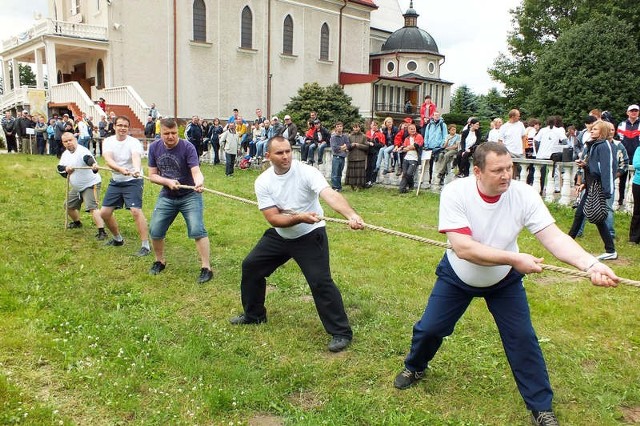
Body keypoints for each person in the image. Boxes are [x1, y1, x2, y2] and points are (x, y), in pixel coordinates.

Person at [393, 142, 619, 426]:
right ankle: (415, 367)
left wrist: (591, 264)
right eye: (497, 170)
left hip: (504, 281)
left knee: (522, 339)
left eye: (509, 168)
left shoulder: (523, 194)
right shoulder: (455, 192)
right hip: (459, 275)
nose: (506, 175)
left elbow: (554, 238)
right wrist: (514, 258)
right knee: (430, 329)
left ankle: (541, 408)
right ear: (477, 171)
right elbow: (464, 249)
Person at [229, 136, 364, 352]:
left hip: (310, 234)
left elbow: (329, 194)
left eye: (288, 151)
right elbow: (273, 218)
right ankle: (254, 316)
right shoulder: (263, 181)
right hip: (281, 233)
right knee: (251, 266)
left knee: (320, 281)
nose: (285, 156)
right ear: (268, 156)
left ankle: (341, 332)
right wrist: (299, 217)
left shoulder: (306, 172)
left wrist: (351, 214)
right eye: (279, 153)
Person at [146, 118, 213, 283]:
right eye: (166, 133)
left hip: (190, 195)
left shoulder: (187, 147)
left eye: (173, 133)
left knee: (198, 229)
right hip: (167, 195)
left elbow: (196, 171)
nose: (170, 136)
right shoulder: (154, 148)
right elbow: (152, 175)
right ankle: (159, 261)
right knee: (155, 230)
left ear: (178, 132)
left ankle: (206, 268)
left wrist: (199, 182)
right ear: (160, 133)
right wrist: (167, 182)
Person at [99, 116, 151, 256]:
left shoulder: (133, 142)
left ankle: (145, 246)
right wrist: (121, 170)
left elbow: (136, 157)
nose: (122, 128)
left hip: (133, 181)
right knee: (104, 213)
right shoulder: (108, 141)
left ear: (128, 128)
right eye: (120, 125)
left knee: (135, 211)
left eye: (125, 126)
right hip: (116, 180)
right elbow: (108, 159)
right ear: (114, 126)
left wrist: (135, 169)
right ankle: (117, 239)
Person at [568, 120, 617, 260]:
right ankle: (568, 242)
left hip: (598, 186)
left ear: (602, 131)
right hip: (591, 185)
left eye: (595, 129)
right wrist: (584, 179)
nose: (592, 131)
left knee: (597, 217)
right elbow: (593, 167)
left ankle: (610, 250)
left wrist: (607, 191)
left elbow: (606, 169)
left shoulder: (604, 146)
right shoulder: (594, 145)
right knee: (581, 214)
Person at [56, 132, 108, 239]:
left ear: (75, 139)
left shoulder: (82, 150)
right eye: (66, 141)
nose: (69, 143)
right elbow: (60, 168)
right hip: (77, 187)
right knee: (68, 206)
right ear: (63, 143)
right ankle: (77, 223)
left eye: (70, 140)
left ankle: (102, 232)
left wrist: (93, 165)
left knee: (92, 207)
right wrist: (66, 169)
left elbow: (88, 159)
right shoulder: (65, 154)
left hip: (90, 184)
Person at [616, 104, 640, 210]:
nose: (634, 112)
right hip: (624, 156)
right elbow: (618, 140)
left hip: (637, 156)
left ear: (638, 112)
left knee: (634, 180)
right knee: (621, 178)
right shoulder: (621, 124)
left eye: (636, 110)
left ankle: (632, 200)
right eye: (632, 111)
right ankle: (620, 199)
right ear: (627, 112)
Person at [398, 123, 424, 193]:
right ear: (408, 130)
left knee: (409, 174)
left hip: (414, 158)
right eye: (411, 129)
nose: (413, 130)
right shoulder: (407, 138)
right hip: (406, 158)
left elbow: (415, 146)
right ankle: (404, 189)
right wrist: (405, 148)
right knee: (405, 174)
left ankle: (406, 187)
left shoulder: (419, 136)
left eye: (414, 129)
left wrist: (407, 148)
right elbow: (403, 148)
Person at [346, 122, 368, 190]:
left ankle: (360, 186)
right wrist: (351, 145)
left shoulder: (363, 136)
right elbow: (347, 147)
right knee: (352, 173)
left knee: (359, 173)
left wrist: (359, 145)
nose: (356, 128)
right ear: (353, 128)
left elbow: (367, 147)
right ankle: (353, 186)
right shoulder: (349, 136)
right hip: (351, 157)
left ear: (359, 128)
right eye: (354, 127)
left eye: (357, 127)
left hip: (361, 157)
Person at [329, 122, 349, 192]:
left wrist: (341, 147)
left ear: (342, 127)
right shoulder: (333, 137)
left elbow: (348, 145)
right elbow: (335, 148)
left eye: (341, 126)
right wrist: (343, 147)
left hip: (343, 157)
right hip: (336, 157)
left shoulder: (345, 136)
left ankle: (339, 187)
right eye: (338, 126)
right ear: (336, 127)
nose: (339, 127)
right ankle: (335, 187)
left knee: (340, 173)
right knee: (335, 173)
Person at [630, 143, 640, 243]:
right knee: (637, 211)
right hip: (638, 183)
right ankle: (634, 238)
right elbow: (636, 164)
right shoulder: (638, 149)